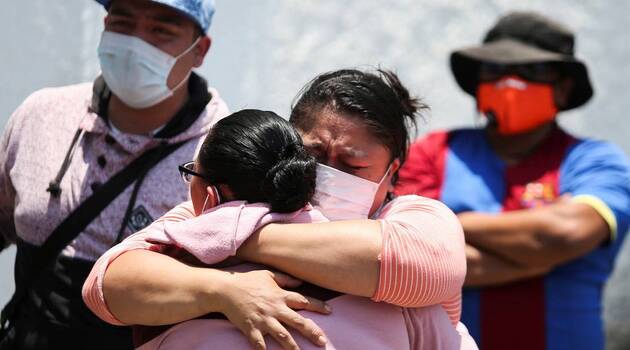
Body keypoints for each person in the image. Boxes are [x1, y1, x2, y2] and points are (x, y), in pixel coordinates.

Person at [83, 69, 478, 349]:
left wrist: (231, 238)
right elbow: (108, 284)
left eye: (353, 165)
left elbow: (418, 264)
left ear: (391, 173)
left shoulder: (413, 217)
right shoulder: (216, 206)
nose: (328, 173)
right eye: (315, 154)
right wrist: (225, 290)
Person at [0, 0, 228, 348]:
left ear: (200, 50)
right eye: (122, 22)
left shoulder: (223, 155)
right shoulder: (40, 115)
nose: (136, 42)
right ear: (104, 26)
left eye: (161, 30)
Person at [396, 11, 630, 350]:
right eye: (494, 69)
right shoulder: (433, 152)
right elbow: (406, 256)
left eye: (531, 70)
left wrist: (451, 222)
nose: (509, 82)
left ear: (564, 88)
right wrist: (537, 255)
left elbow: (562, 234)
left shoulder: (596, 161)